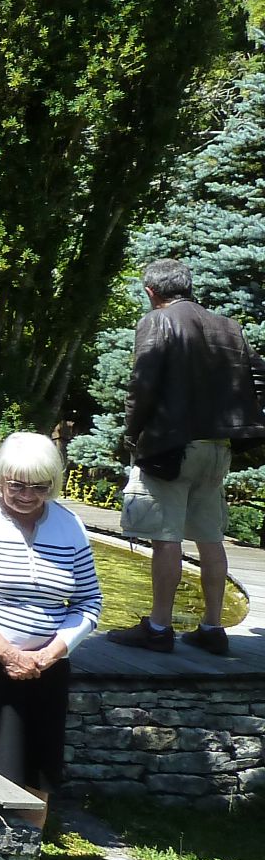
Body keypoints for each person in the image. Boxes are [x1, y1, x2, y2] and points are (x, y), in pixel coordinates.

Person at [110, 257, 265, 654]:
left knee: (166, 539)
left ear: (151, 292)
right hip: (217, 448)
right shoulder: (229, 326)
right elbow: (260, 378)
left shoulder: (157, 321)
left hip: (171, 448)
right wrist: (243, 426)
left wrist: (132, 434)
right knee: (210, 538)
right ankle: (213, 628)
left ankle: (159, 628)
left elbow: (143, 383)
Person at [0, 431, 100, 794]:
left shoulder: (70, 525)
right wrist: (7, 653)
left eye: (40, 487)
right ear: (0, 478)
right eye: (17, 486)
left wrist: (50, 653)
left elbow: (89, 602)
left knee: (35, 777)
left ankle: (28, 849)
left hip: (46, 671)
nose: (28, 496)